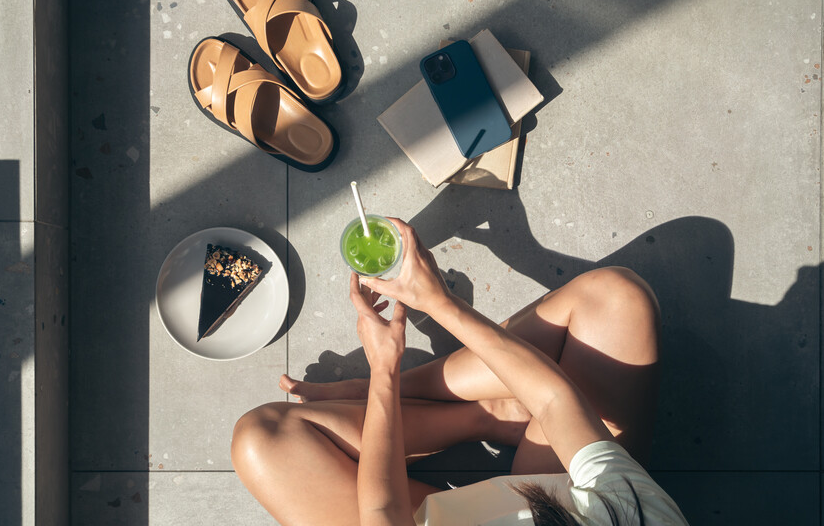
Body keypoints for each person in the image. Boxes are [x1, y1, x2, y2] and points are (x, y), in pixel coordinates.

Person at [232, 218, 689, 525]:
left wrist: (385, 373)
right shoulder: (636, 517)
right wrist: (439, 303)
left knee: (262, 438)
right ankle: (489, 414)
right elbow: (554, 400)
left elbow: (384, 513)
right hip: (559, 491)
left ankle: (479, 414)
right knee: (615, 299)